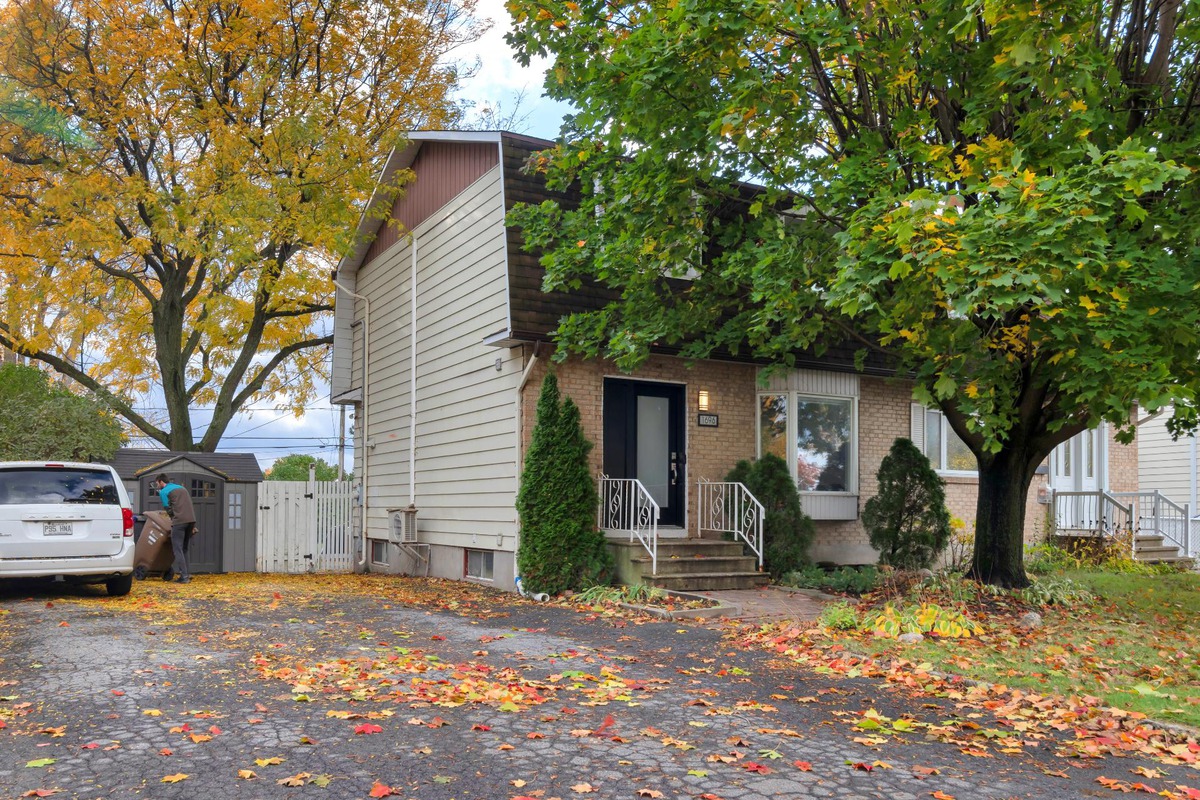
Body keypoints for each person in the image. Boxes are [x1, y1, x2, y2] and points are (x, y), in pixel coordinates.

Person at [154, 474, 195, 584]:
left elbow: (168, 508)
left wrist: (173, 519)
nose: (157, 485)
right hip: (191, 520)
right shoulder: (182, 488)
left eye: (157, 483)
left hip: (180, 521)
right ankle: (187, 573)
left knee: (177, 549)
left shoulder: (163, 492)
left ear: (161, 482)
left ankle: (184, 577)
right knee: (185, 548)